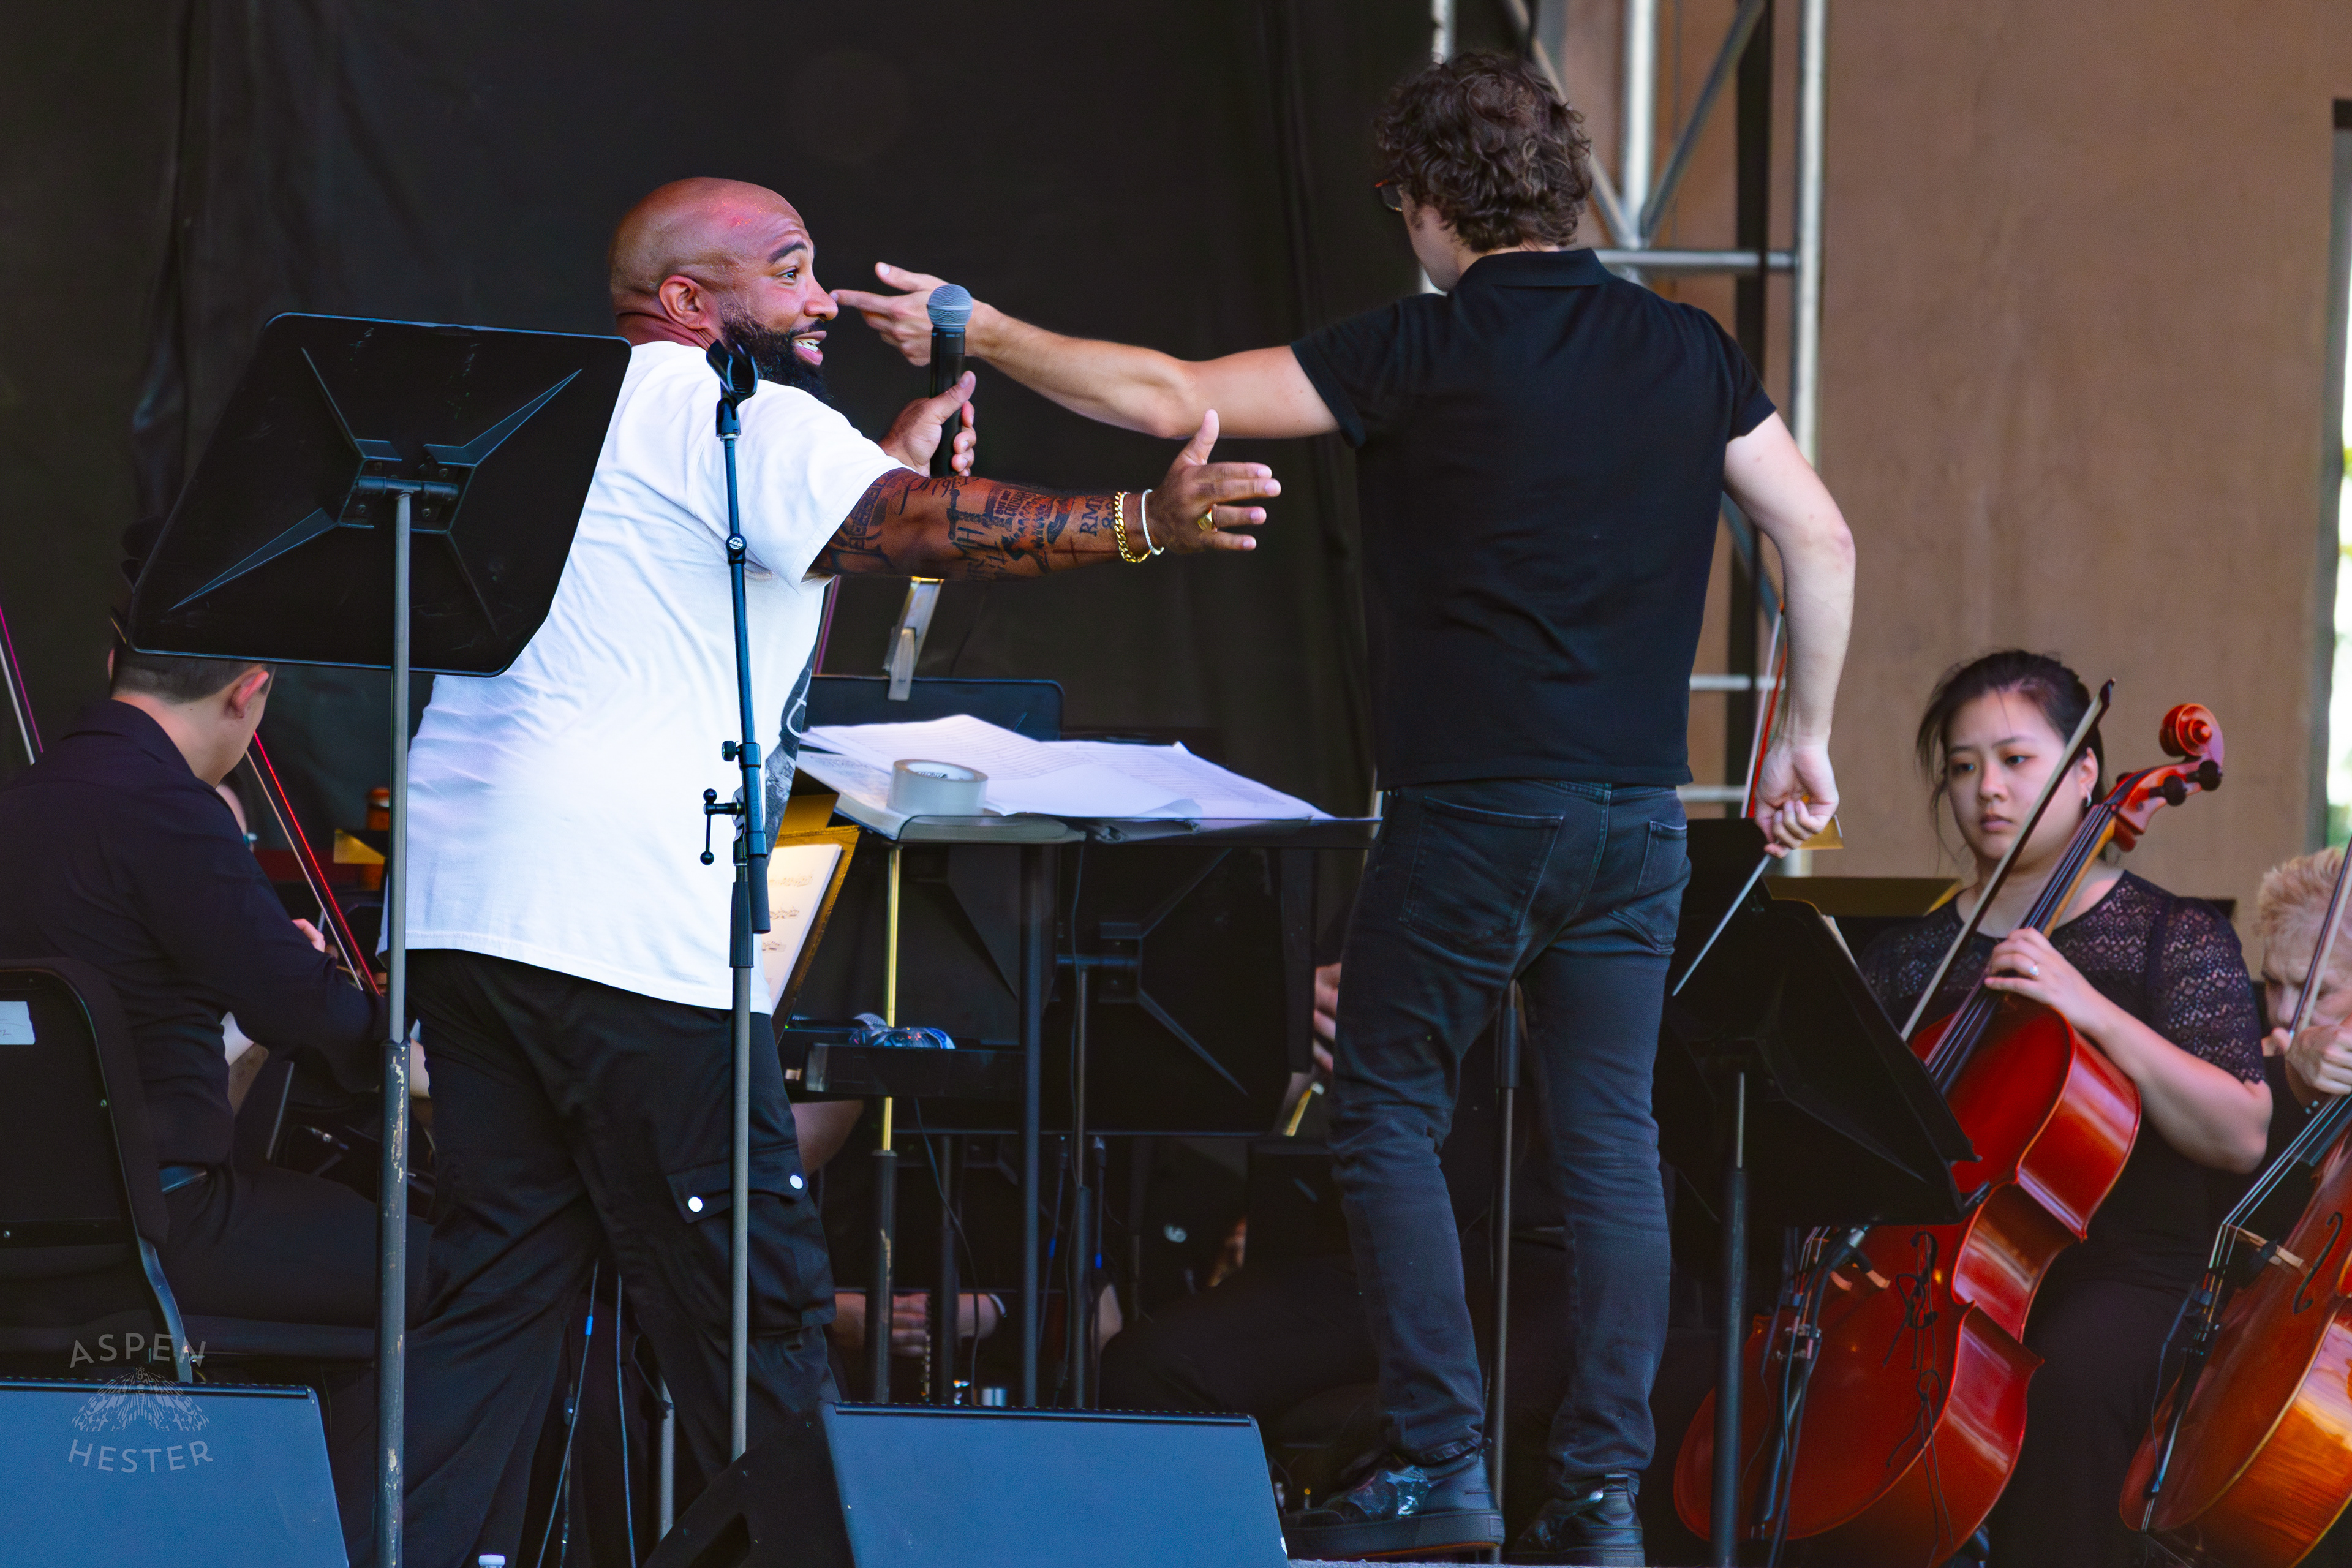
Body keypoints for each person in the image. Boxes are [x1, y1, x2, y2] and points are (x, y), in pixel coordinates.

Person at [842, 53, 1855, 1564]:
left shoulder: (1419, 349)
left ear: (1433, 205)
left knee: (1386, 1112)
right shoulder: (1690, 351)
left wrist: (975, 326)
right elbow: (1819, 536)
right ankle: (1596, 1501)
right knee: (1613, 1146)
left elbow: (1170, 396)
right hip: (1635, 816)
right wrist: (1803, 736)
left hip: (1466, 816)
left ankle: (1444, 1464)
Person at [368, 175, 1282, 1566]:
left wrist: (878, 456)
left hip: (468, 902)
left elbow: (746, 560)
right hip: (624, 917)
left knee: (500, 1283)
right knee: (757, 1304)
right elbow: (919, 530)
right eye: (786, 272)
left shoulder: (554, 410)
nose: (820, 303)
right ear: (684, 301)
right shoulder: (735, 418)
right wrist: (1140, 521)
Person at [1853, 650, 2269, 1568]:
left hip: (2118, 1272)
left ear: (2086, 774)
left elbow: (2240, 1133)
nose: (1985, 790)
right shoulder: (1912, 957)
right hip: (1937, 1273)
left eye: (2014, 760)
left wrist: (2089, 1008)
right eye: (1962, 768)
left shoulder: (2172, 936)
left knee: (2071, 1389)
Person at [0, 630, 426, 1482]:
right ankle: (351, 1534)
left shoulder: (22, 802)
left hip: (29, 1226)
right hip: (161, 1227)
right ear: (250, 691)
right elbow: (297, 1006)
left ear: (112, 662)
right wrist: (404, 1052)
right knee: (456, 1273)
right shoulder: (169, 807)